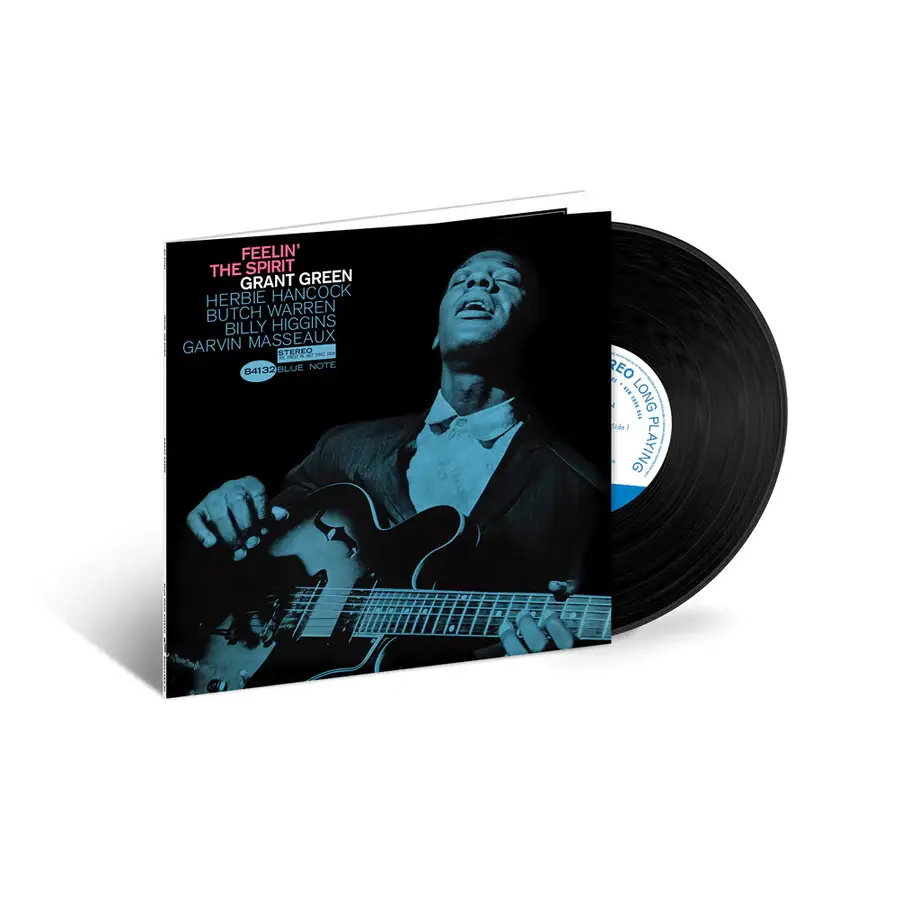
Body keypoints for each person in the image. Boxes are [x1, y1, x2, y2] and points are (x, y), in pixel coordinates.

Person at [186, 249, 604, 672]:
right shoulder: (345, 444)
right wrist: (232, 504)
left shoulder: (582, 491)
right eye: (461, 278)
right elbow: (258, 545)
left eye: (507, 279)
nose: (479, 282)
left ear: (534, 329)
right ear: (436, 334)